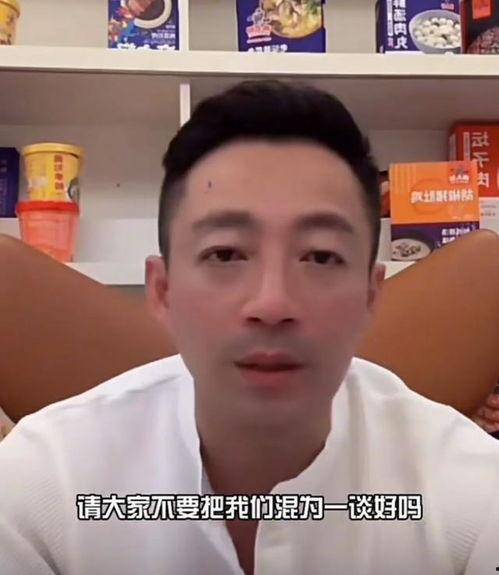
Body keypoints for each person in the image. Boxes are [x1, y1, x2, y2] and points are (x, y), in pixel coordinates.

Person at [1, 80, 499, 575]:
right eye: (225, 254)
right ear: (163, 290)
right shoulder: (45, 480)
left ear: (371, 294)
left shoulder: (467, 485)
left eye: (321, 257)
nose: (272, 303)